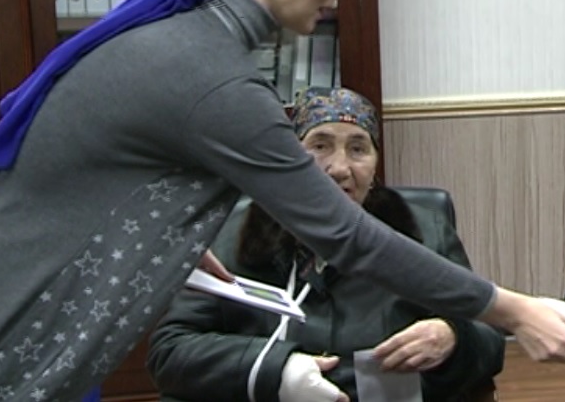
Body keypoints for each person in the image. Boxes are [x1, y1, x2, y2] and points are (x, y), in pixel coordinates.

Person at [0, 0, 565, 402]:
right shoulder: (210, 75)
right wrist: (516, 311)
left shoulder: (181, 39)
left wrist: (165, 237)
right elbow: (347, 236)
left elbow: (95, 180)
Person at [147, 87, 505, 401]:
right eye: (320, 146)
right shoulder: (232, 233)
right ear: (289, 158)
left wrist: (453, 337)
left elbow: (488, 334)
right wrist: (279, 369)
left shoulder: (424, 232)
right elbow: (171, 351)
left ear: (375, 166)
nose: (339, 168)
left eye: (358, 149)